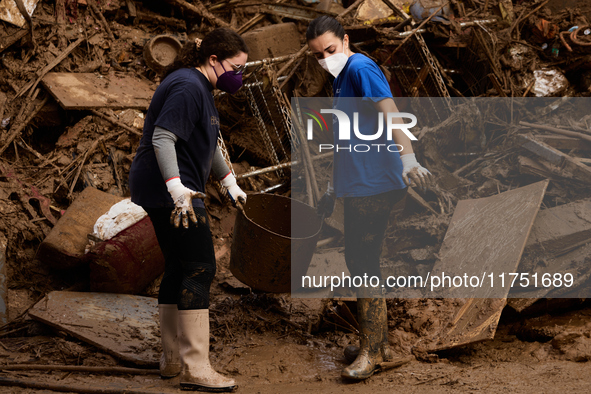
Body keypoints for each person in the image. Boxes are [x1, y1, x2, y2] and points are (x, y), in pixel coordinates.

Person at [306, 16, 433, 380]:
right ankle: (377, 341)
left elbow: (392, 114)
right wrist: (332, 188)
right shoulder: (341, 80)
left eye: (330, 50)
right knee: (360, 259)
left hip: (377, 182)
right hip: (357, 181)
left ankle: (373, 352)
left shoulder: (361, 67)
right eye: (317, 55)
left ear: (346, 41)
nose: (326, 58)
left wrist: (408, 158)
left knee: (362, 260)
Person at [128, 28, 248, 392]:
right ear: (213, 60)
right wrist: (177, 189)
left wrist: (228, 180)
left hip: (160, 187)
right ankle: (196, 368)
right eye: (236, 67)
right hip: (170, 190)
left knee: (179, 266)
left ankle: (172, 360)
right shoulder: (187, 86)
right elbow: (163, 137)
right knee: (201, 266)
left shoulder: (201, 89)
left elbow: (207, 142)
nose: (239, 76)